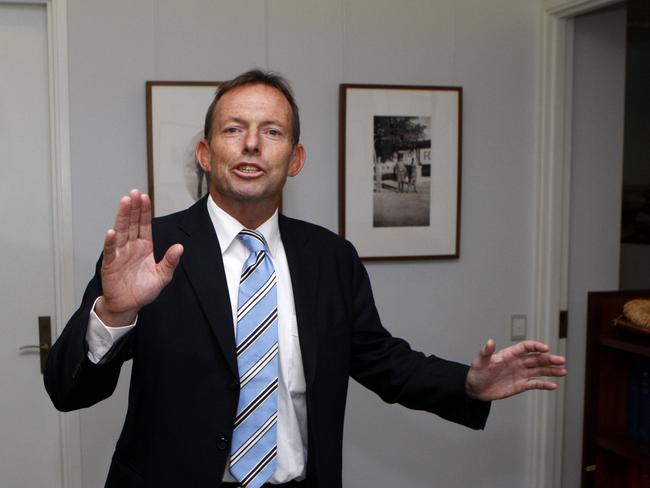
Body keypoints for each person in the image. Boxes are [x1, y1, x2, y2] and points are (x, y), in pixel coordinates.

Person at [44, 69, 566, 488]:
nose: (251, 144)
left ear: (294, 159)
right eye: (233, 129)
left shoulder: (331, 258)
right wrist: (114, 314)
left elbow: (383, 360)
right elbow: (67, 392)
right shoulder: (148, 250)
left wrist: (467, 384)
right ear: (206, 155)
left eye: (271, 132)